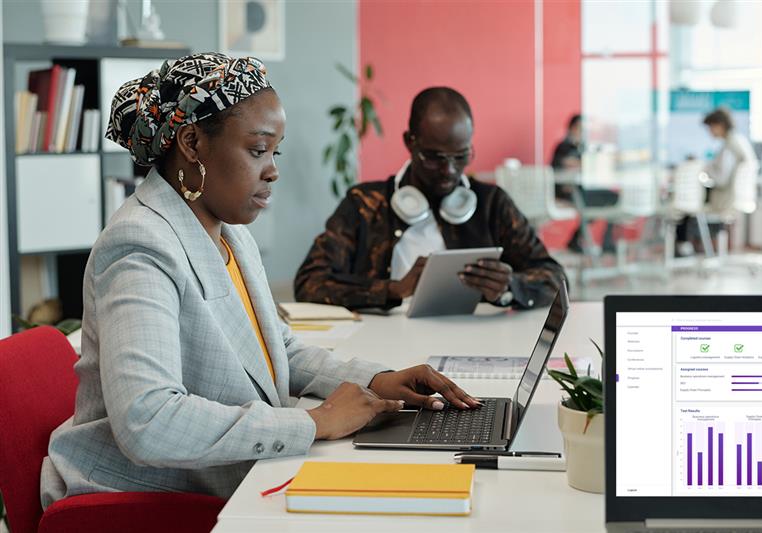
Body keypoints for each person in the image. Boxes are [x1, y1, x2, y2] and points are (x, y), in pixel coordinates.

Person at [40, 53, 479, 508]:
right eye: (257, 150)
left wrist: (379, 379)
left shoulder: (229, 233)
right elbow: (149, 420)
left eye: (275, 151)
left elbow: (278, 351)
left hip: (218, 475)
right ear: (192, 143)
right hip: (139, 494)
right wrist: (316, 422)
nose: (273, 170)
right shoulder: (140, 246)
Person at [294, 87, 566, 311]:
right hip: (381, 348)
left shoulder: (491, 204)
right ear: (410, 142)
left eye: (460, 157)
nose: (449, 170)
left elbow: (555, 279)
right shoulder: (364, 204)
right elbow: (310, 282)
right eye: (434, 157)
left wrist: (511, 286)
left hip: (475, 344)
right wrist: (392, 289)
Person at [675, 107, 758, 255]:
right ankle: (685, 245)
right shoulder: (737, 141)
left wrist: (704, 169)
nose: (710, 132)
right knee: (688, 205)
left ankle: (682, 245)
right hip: (732, 196)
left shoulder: (730, 147)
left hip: (724, 198)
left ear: (719, 125)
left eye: (710, 127)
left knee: (682, 202)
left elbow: (721, 179)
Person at [550, 114, 618, 253]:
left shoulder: (581, 148)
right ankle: (578, 239)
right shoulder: (563, 147)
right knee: (593, 205)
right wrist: (592, 160)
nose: (582, 132)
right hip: (566, 192)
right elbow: (570, 163)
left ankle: (602, 240)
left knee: (611, 198)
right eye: (579, 128)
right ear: (571, 128)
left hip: (579, 191)